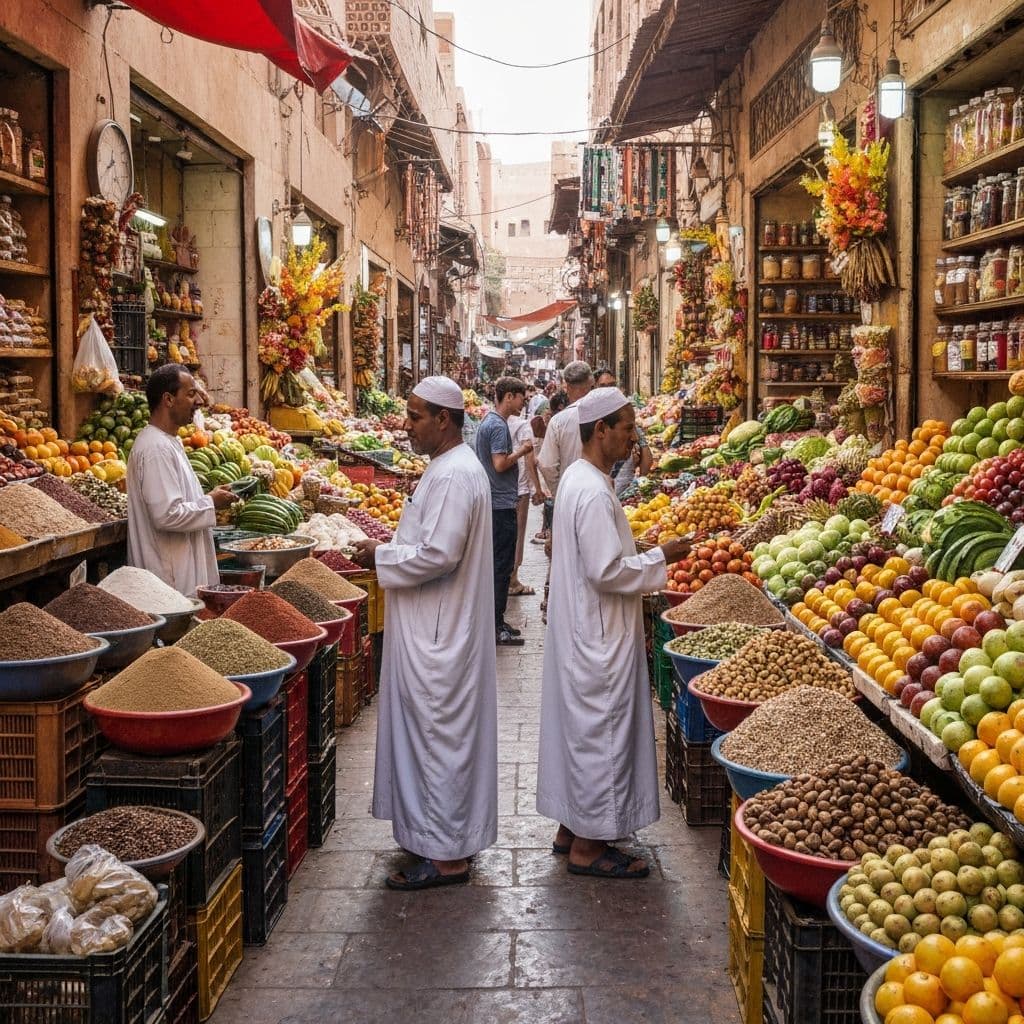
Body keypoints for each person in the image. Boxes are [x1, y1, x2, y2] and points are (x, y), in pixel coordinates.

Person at [536, 387, 695, 879]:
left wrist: (637, 549)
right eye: (626, 427)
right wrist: (660, 556)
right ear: (599, 430)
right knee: (600, 735)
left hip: (584, 629)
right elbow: (607, 571)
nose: (633, 437)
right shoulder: (589, 488)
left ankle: (571, 827)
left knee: (580, 733)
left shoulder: (581, 481)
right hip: (598, 635)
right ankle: (589, 845)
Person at [352, 376, 497, 890]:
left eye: (414, 417)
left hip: (440, 633)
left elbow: (439, 554)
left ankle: (446, 857)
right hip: (434, 625)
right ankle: (436, 841)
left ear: (443, 419)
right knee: (432, 737)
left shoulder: (455, 475)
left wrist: (380, 554)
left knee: (437, 739)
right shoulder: (448, 468)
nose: (406, 425)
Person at [126, 365, 236, 598]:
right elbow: (167, 514)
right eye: (190, 394)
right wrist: (210, 502)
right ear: (168, 399)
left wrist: (210, 498)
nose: (198, 401)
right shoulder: (155, 448)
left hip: (178, 573)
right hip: (170, 578)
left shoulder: (168, 442)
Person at [474, 376, 533, 646]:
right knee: (501, 567)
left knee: (499, 565)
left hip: (496, 502)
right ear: (509, 396)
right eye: (522, 397)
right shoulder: (498, 426)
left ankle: (497, 620)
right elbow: (499, 464)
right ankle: (496, 626)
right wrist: (523, 450)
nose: (525, 402)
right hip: (500, 505)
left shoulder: (489, 421)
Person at [537, 361, 594, 499]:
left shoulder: (558, 421)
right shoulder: (605, 415)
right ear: (591, 383)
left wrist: (559, 493)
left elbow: (546, 465)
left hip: (569, 494)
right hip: (599, 492)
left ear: (566, 387)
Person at [508, 397, 545, 597]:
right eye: (521, 398)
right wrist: (536, 489)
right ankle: (512, 580)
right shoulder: (524, 427)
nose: (523, 403)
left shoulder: (494, 421)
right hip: (519, 488)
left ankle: (502, 578)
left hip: (499, 490)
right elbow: (529, 461)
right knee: (517, 536)